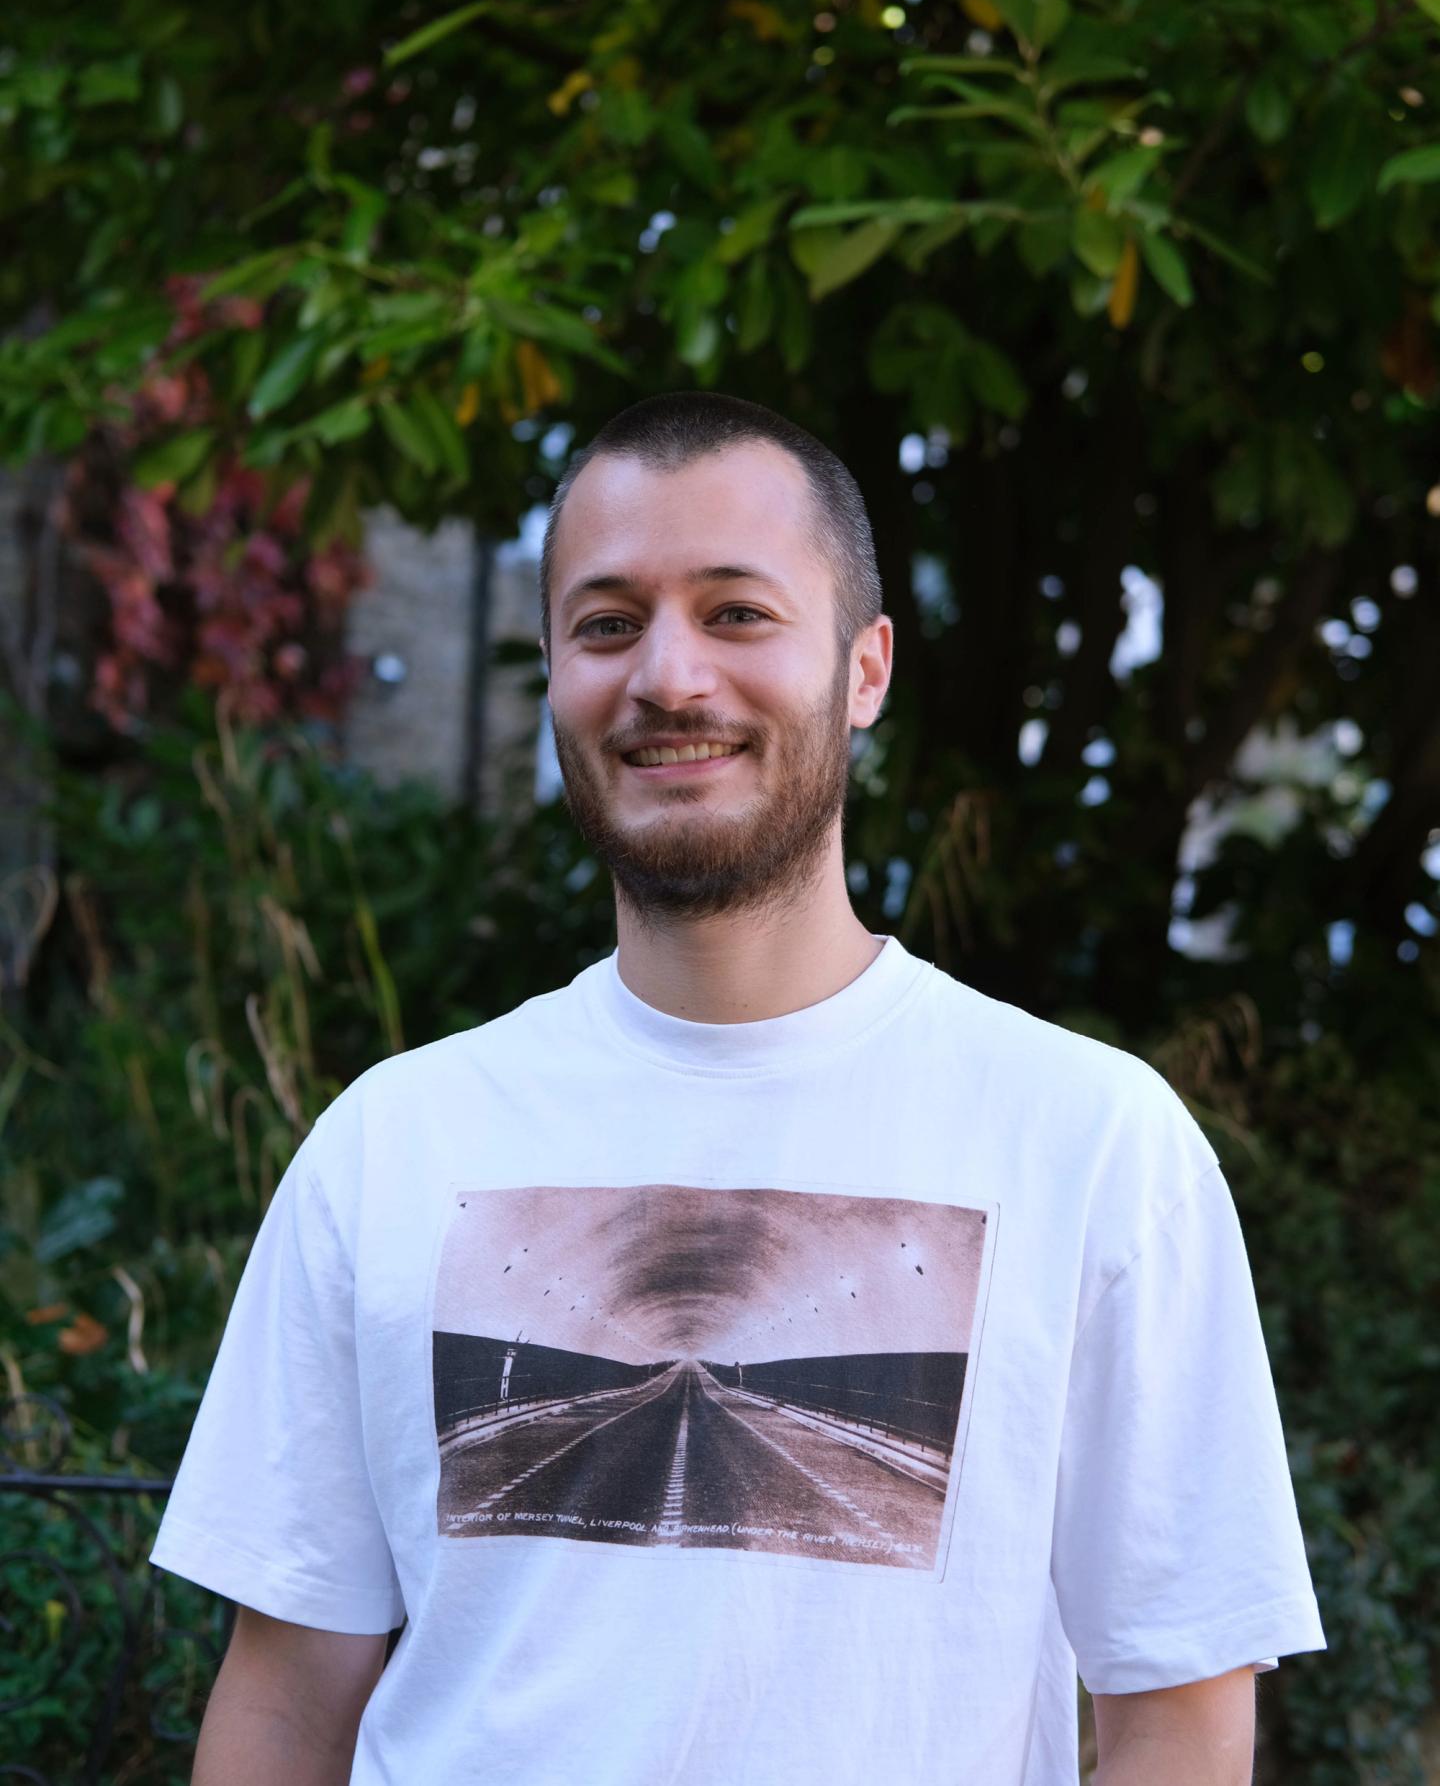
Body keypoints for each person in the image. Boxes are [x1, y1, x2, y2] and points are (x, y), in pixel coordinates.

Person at [152, 391, 1325, 1786]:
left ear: (866, 666)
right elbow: (285, 1700)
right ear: (553, 675)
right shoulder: (392, 1142)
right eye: (606, 623)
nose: (667, 676)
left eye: (737, 612)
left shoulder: (1090, 1139)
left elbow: (1179, 1709)